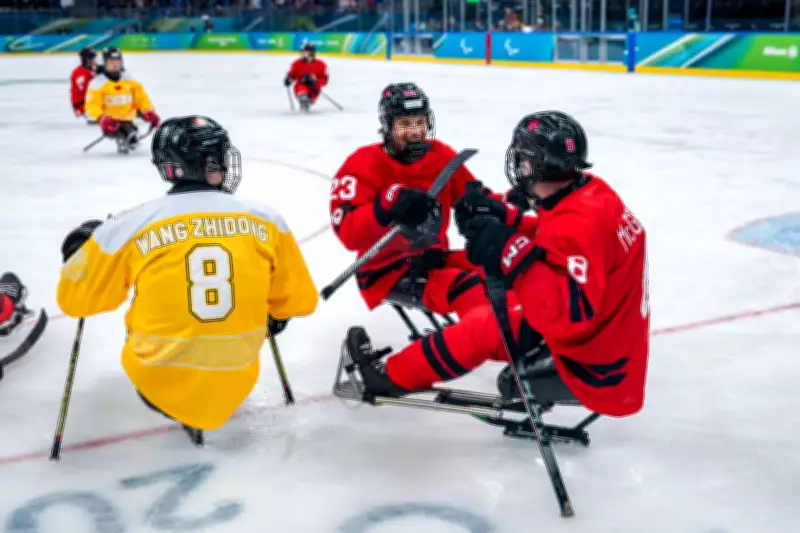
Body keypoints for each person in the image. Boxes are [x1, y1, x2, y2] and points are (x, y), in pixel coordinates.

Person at [344, 111, 650, 418]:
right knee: (496, 303)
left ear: (536, 165)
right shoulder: (591, 194)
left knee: (486, 328)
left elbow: (569, 314)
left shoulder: (577, 224)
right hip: (610, 345)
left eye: (524, 160)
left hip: (597, 369)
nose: (520, 167)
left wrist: (510, 251)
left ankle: (386, 379)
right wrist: (507, 218)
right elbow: (558, 239)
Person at [56, 115, 319, 440]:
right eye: (218, 157)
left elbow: (75, 302)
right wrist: (274, 315)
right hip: (239, 378)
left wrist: (80, 255)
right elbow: (301, 302)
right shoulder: (266, 219)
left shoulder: (130, 225)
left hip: (155, 383)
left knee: (141, 313)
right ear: (208, 164)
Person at [329, 82, 537, 389]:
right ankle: (481, 340)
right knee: (471, 288)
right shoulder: (361, 164)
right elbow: (348, 233)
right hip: (386, 270)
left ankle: (520, 342)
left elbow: (475, 199)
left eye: (420, 123)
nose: (414, 132)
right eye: (404, 124)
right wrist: (385, 206)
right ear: (387, 126)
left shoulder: (442, 157)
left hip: (432, 259)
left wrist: (507, 201)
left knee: (507, 267)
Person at [85, 47, 161, 153]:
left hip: (128, 118)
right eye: (111, 61)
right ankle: (124, 135)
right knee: (127, 135)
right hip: (110, 122)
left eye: (117, 61)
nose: (115, 64)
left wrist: (148, 111)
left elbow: (142, 98)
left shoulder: (129, 79)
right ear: (105, 63)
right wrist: (101, 118)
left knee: (131, 134)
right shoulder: (97, 83)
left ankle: (129, 133)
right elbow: (91, 105)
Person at [283, 43, 329, 112]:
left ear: (311, 53)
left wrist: (314, 80)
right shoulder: (297, 63)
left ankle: (308, 100)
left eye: (305, 51)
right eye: (302, 52)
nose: (302, 53)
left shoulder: (321, 64)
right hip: (300, 86)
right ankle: (303, 98)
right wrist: (289, 79)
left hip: (314, 88)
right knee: (301, 87)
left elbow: (324, 80)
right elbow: (292, 75)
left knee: (311, 96)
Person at [70, 47, 102, 120]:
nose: (95, 61)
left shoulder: (91, 69)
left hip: (88, 103)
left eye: (94, 58)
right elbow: (87, 92)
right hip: (82, 107)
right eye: (92, 58)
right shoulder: (79, 73)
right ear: (86, 60)